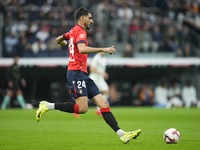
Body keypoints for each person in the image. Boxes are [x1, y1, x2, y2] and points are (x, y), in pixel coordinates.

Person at [36, 7, 141, 144]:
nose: (92, 21)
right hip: (76, 73)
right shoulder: (80, 32)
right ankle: (47, 106)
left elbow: (58, 39)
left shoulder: (72, 31)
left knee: (104, 103)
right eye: (90, 18)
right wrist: (103, 49)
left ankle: (122, 134)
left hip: (82, 74)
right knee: (82, 108)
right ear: (82, 18)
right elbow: (82, 49)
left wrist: (62, 42)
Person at [89, 52, 109, 117]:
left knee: (106, 92)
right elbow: (92, 69)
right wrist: (102, 73)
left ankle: (98, 110)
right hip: (94, 78)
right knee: (86, 95)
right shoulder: (96, 58)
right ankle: (75, 107)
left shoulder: (104, 58)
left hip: (100, 79)